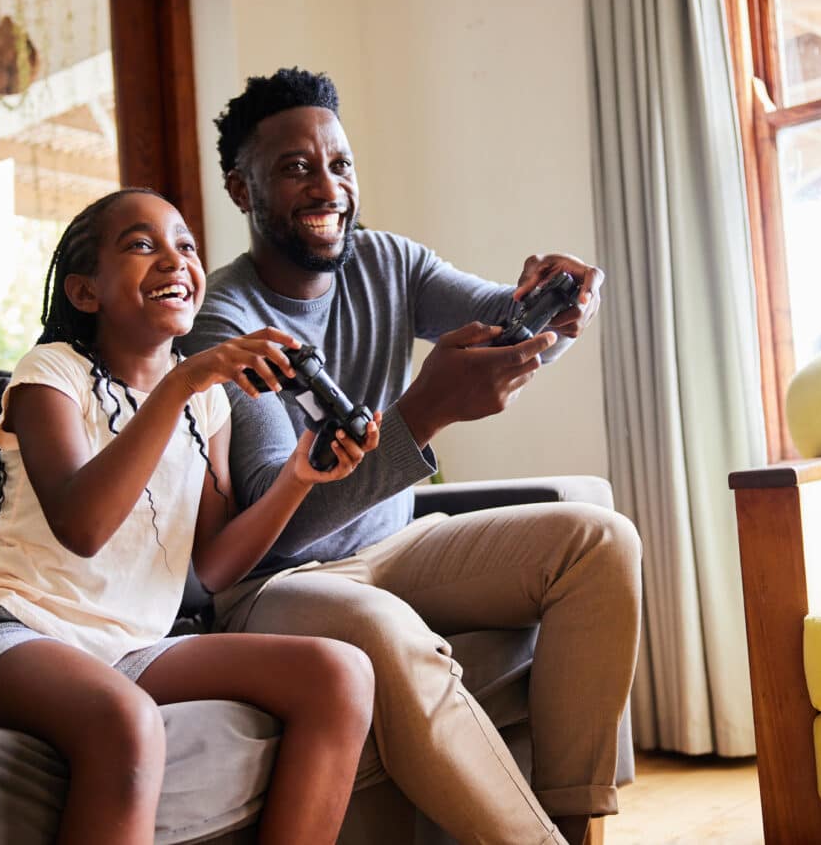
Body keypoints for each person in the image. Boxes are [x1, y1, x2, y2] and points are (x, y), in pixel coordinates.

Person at [178, 68, 643, 845]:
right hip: (277, 586)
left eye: (340, 164)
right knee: (385, 628)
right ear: (240, 189)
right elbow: (275, 522)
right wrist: (423, 412)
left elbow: (508, 329)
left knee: (600, 541)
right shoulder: (226, 323)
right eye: (295, 168)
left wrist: (557, 307)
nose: (328, 187)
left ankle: (571, 824)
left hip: (395, 543)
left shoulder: (387, 262)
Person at [0, 187, 382, 845]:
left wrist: (297, 479)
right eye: (142, 246)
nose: (174, 259)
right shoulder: (50, 377)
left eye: (186, 246)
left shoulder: (207, 406)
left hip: (130, 650)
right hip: (9, 637)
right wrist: (180, 384)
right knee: (127, 723)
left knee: (339, 674)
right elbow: (83, 529)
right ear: (87, 293)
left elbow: (215, 565)